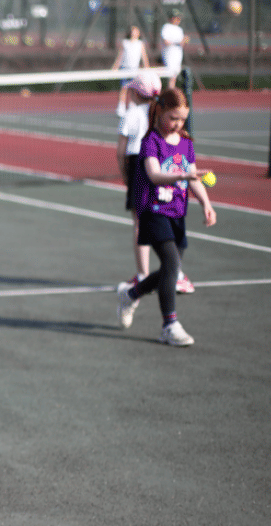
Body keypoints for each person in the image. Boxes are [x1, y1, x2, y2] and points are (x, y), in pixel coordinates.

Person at [116, 88, 216, 346]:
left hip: (176, 213)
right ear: (160, 111)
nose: (177, 124)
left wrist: (206, 203)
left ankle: (131, 294)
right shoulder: (151, 141)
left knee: (170, 270)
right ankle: (169, 325)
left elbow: (193, 177)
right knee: (171, 263)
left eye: (182, 119)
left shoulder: (186, 143)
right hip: (153, 211)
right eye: (173, 118)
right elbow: (154, 175)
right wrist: (182, 176)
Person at [115, 70, 160, 285]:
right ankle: (174, 271)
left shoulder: (131, 114)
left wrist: (125, 175)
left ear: (136, 93)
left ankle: (143, 274)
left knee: (139, 224)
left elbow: (120, 151)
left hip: (137, 165)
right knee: (163, 219)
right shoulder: (161, 113)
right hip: (158, 165)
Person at [111, 25, 150, 116]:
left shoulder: (140, 44)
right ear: (130, 32)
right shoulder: (125, 43)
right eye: (133, 31)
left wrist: (146, 67)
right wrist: (115, 67)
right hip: (125, 69)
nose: (134, 33)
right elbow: (119, 57)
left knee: (133, 88)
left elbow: (144, 57)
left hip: (135, 70)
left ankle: (132, 106)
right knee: (124, 88)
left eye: (136, 31)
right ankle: (121, 107)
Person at [161, 10, 186, 89]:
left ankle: (171, 91)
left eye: (179, 18)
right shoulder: (166, 27)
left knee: (174, 75)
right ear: (172, 18)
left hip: (178, 54)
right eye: (176, 18)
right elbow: (166, 41)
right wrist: (177, 42)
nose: (178, 20)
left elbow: (181, 44)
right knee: (170, 74)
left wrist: (184, 41)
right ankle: (169, 93)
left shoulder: (179, 29)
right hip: (169, 54)